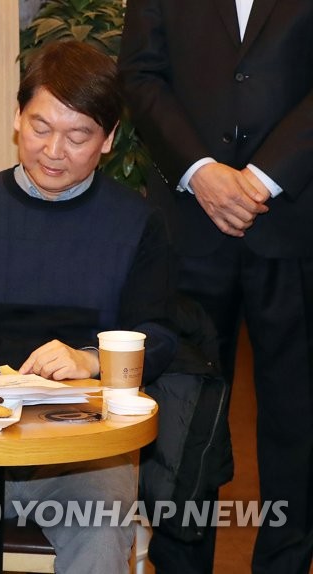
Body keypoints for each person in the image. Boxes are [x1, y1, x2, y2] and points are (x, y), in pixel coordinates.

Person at [0, 40, 177, 573]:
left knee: (99, 535)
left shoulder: (135, 223)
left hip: (83, 447)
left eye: (78, 136)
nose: (54, 151)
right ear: (17, 118)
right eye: (41, 127)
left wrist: (90, 359)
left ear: (109, 139)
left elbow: (158, 335)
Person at [118, 2, 313, 573]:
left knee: (298, 417)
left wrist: (264, 177)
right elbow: (140, 73)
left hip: (296, 218)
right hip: (188, 221)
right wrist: (199, 170)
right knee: (184, 414)